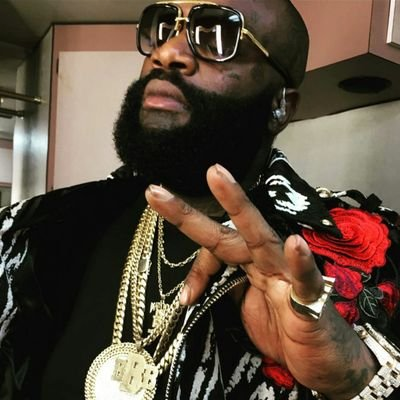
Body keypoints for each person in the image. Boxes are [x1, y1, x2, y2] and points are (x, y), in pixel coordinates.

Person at [1, 0, 399, 399]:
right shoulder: (33, 230)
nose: (167, 52)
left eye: (218, 35)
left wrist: (353, 377)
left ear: (281, 105)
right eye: (163, 26)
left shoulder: (378, 251)